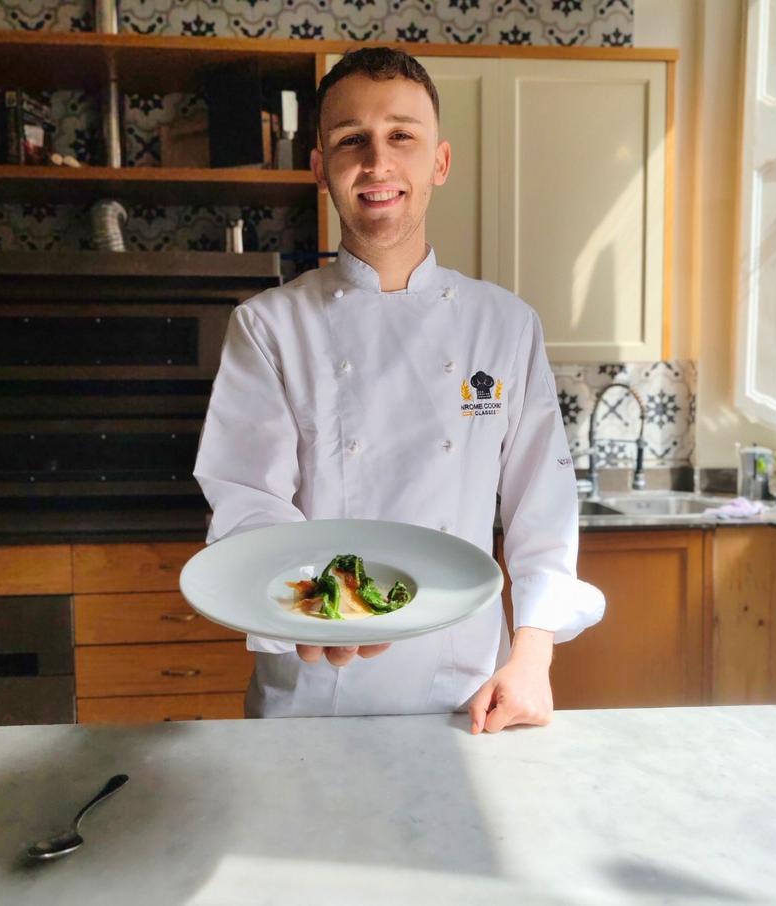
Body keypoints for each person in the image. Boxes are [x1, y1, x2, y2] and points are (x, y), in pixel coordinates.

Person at [194, 47, 605, 733]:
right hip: (313, 689)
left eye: (401, 137)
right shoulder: (267, 326)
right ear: (321, 167)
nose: (378, 164)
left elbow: (544, 506)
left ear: (438, 162)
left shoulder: (504, 324)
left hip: (467, 695)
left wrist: (532, 659)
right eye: (352, 140)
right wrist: (307, 606)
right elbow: (249, 500)